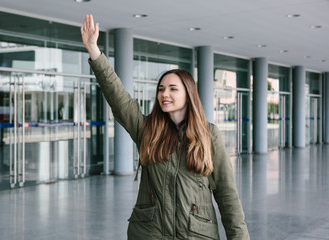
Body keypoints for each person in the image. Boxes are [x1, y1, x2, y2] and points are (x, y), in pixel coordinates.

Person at [81, 14, 250, 240]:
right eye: (161, 89)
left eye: (172, 89)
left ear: (188, 94)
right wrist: (94, 51)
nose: (164, 94)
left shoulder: (209, 135)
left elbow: (228, 196)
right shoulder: (148, 130)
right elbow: (118, 98)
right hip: (151, 234)